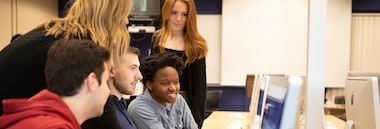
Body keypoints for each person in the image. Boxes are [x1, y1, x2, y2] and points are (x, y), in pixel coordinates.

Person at [0, 0, 131, 115]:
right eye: (123, 14)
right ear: (111, 16)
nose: (126, 21)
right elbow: (102, 121)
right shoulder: (81, 46)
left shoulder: (52, 32)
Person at [0, 39, 111, 129]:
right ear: (92, 81)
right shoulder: (55, 126)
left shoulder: (33, 117)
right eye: (106, 82)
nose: (108, 91)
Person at [150, 0, 208, 127]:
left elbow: (199, 91)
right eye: (174, 13)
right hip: (156, 109)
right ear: (166, 12)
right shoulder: (157, 40)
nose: (179, 19)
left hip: (183, 110)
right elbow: (150, 78)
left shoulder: (196, 47)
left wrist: (196, 124)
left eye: (184, 14)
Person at [128, 52, 198, 129]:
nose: (173, 88)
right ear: (149, 85)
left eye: (176, 82)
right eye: (165, 83)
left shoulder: (179, 100)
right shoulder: (139, 108)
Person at [81, 46, 142, 129]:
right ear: (111, 70)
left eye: (138, 68)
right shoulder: (101, 114)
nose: (139, 76)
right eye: (132, 68)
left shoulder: (121, 106)